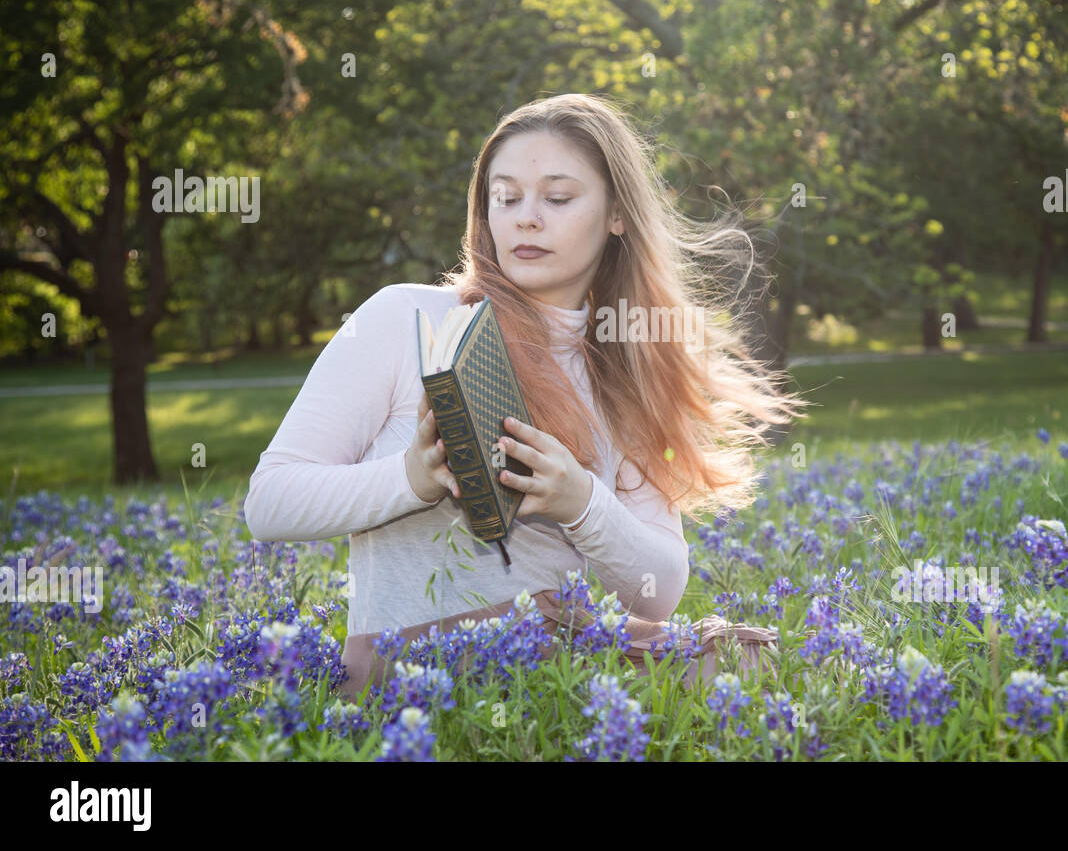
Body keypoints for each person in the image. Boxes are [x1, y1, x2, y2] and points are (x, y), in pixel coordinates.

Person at [243, 93, 805, 699]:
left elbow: (660, 588)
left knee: (750, 659)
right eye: (505, 197)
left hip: (564, 666)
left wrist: (579, 501)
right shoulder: (407, 319)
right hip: (410, 674)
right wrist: (412, 479)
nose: (525, 218)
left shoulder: (625, 367)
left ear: (617, 213)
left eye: (557, 198)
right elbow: (270, 503)